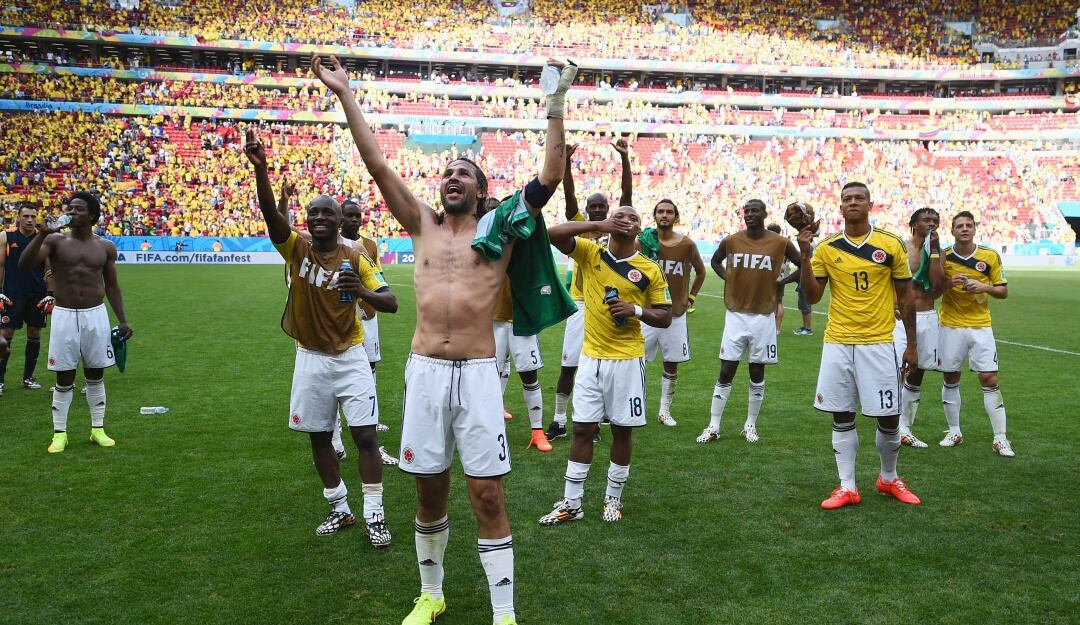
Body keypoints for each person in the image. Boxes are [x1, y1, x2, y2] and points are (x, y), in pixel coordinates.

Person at [314, 53, 576, 625]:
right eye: (447, 173)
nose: (451, 177)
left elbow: (551, 176)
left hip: (480, 375)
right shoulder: (422, 224)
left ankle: (504, 611)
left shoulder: (502, 226)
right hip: (426, 372)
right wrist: (344, 93)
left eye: (464, 173)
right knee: (428, 492)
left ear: (481, 191)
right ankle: (431, 594)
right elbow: (378, 163)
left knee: (488, 494)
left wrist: (555, 105)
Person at [244, 128, 399, 546]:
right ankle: (340, 508)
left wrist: (361, 291)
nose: (319, 218)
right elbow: (271, 216)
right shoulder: (296, 248)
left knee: (365, 436)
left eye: (327, 213)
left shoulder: (357, 256)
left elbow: (391, 302)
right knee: (318, 437)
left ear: (339, 221)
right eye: (313, 213)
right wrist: (262, 170)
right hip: (310, 357)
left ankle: (375, 514)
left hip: (351, 355)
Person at [539, 206, 672, 526]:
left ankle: (613, 499)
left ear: (639, 229)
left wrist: (635, 310)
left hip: (627, 361)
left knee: (622, 432)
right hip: (591, 359)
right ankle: (572, 503)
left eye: (633, 218)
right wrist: (598, 224)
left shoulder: (649, 269)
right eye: (620, 216)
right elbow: (551, 234)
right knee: (582, 429)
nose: (626, 220)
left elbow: (665, 316)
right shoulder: (590, 253)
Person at [797, 181, 922, 510]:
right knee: (842, 414)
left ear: (870, 205)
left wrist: (911, 344)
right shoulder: (827, 247)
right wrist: (805, 255)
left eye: (859, 198)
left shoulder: (890, 244)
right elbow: (812, 296)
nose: (852, 202)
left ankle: (888, 477)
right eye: (847, 199)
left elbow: (906, 297)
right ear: (841, 207)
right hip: (838, 342)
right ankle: (847, 486)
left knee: (889, 417)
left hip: (879, 342)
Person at [18, 192, 133, 454]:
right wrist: (41, 234)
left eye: (78, 209)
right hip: (65, 314)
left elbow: (112, 285)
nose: (71, 212)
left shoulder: (105, 246)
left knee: (95, 374)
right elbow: (25, 264)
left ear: (92, 215)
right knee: (64, 376)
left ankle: (97, 429)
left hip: (96, 314)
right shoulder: (55, 240)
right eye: (69, 208)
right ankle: (60, 433)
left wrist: (123, 320)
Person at [545, 140, 630, 442]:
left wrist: (625, 160)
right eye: (592, 206)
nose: (596, 210)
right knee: (569, 364)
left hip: (607, 303)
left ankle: (593, 422)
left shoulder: (616, 228)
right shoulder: (579, 225)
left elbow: (627, 196)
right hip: (580, 303)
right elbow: (569, 196)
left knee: (600, 364)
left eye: (600, 206)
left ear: (608, 209)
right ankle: (559, 420)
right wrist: (567, 163)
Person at [698, 200, 801, 444]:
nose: (750, 214)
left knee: (757, 371)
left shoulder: (780, 242)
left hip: (764, 315)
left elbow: (804, 265)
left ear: (765, 214)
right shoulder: (732, 240)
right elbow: (715, 261)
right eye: (747, 211)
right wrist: (729, 278)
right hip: (735, 314)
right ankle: (713, 426)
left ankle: (750, 425)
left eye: (755, 211)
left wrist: (782, 282)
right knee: (726, 370)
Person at [937, 211, 1013, 457]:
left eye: (969, 225)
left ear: (975, 229)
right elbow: (932, 291)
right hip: (950, 325)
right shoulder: (944, 257)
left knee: (989, 378)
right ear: (952, 230)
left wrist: (984, 287)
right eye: (960, 226)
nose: (964, 229)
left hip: (981, 326)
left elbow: (1003, 291)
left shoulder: (989, 256)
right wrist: (949, 283)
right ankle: (954, 431)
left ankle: (1000, 438)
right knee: (950, 377)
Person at [337, 198, 399, 465]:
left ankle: (370, 417)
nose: (354, 220)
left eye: (357, 215)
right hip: (343, 314)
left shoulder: (369, 245)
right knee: (344, 365)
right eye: (349, 215)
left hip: (368, 312)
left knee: (370, 365)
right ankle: (339, 430)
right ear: (340, 219)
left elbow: (378, 279)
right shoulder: (332, 242)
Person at [638, 199, 706, 427]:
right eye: (660, 211)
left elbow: (701, 271)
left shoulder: (687, 245)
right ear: (654, 216)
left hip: (675, 315)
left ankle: (664, 411)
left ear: (676, 217)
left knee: (671, 363)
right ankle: (637, 406)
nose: (664, 215)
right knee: (635, 361)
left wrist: (691, 297)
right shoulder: (643, 243)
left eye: (669, 212)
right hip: (647, 313)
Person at [891, 208, 946, 448]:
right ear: (913, 224)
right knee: (896, 371)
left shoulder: (938, 252)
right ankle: (890, 424)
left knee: (917, 372)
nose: (931, 223)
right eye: (926, 220)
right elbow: (887, 280)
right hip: (900, 318)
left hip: (927, 316)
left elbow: (937, 285)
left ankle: (905, 428)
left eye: (935, 220)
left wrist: (933, 251)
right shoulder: (901, 247)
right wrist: (890, 305)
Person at [493, 276, 550, 452]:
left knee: (529, 374)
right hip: (493, 317)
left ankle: (537, 431)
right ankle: (492, 416)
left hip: (522, 318)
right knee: (489, 373)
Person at [0, 202, 52, 395]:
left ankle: (28, 378)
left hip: (37, 294)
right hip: (12, 293)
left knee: (34, 333)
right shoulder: (6, 237)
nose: (30, 220)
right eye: (26, 216)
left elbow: (49, 269)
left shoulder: (44, 238)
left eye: (33, 216)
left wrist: (50, 295)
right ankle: (0, 381)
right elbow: (0, 265)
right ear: (18, 217)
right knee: (6, 334)